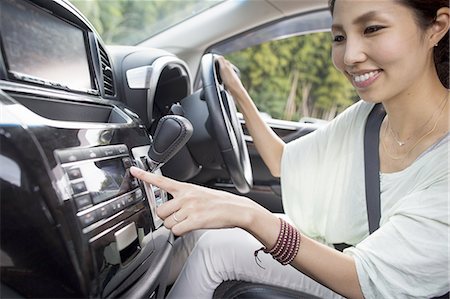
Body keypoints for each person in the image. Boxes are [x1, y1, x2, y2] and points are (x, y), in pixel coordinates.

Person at [130, 0, 450, 297]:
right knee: (195, 234)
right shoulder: (368, 118)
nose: (350, 56)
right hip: (347, 253)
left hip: (369, 281)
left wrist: (252, 215)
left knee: (216, 247)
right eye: (339, 37)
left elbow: (366, 279)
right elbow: (282, 162)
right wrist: (239, 94)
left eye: (372, 29)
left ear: (437, 26)